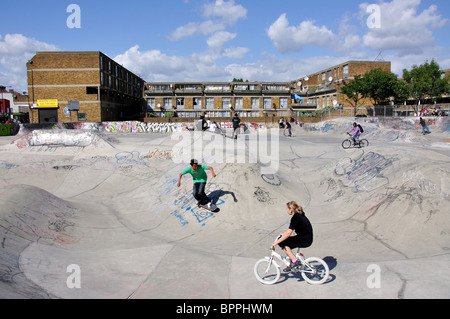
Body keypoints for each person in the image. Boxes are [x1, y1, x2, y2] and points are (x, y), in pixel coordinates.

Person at [271, 201, 313, 272]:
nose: (286, 210)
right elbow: (288, 231)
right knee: (285, 241)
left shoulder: (295, 218)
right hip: (306, 238)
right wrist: (283, 234)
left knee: (283, 243)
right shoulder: (299, 215)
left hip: (304, 239)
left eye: (287, 209)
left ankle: (294, 260)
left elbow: (288, 234)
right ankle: (292, 263)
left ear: (291, 210)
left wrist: (276, 242)